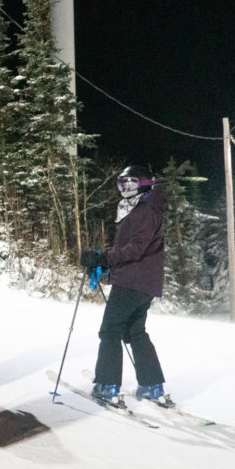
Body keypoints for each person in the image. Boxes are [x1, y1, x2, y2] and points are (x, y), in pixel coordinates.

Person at [80, 165, 172, 407]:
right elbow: (134, 250)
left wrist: (104, 258)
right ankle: (152, 386)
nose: (125, 188)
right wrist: (105, 263)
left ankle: (107, 386)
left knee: (110, 330)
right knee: (135, 332)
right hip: (142, 283)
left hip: (132, 283)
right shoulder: (140, 208)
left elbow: (135, 248)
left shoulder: (145, 210)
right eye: (122, 184)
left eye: (131, 183)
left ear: (143, 184)